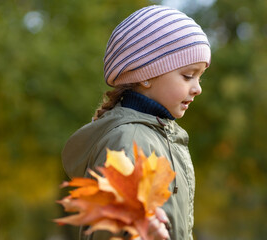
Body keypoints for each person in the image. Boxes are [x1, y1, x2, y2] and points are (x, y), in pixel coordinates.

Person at [61, 4, 211, 240]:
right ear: (146, 75)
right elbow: (107, 231)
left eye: (200, 77)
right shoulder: (127, 142)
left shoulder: (166, 137)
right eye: (188, 75)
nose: (198, 88)